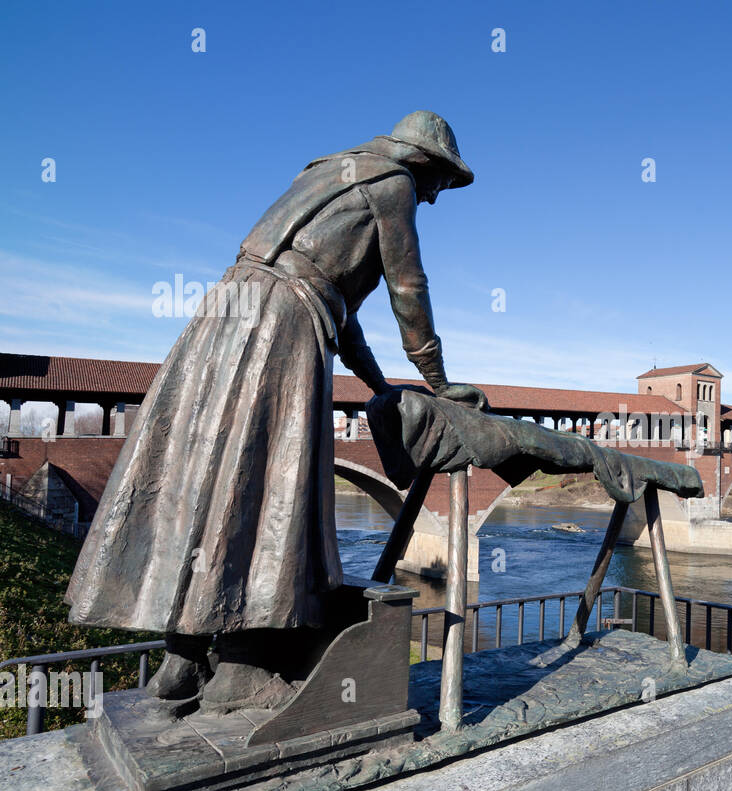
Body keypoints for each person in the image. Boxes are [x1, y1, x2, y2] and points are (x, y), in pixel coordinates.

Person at [65, 111, 485, 714]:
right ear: (423, 160)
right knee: (266, 484)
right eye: (441, 181)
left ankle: (180, 661)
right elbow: (408, 290)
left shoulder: (324, 174)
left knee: (203, 476)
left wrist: (379, 384)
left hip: (226, 311)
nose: (436, 198)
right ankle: (243, 669)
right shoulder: (393, 185)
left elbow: (337, 303)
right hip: (282, 324)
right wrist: (439, 381)